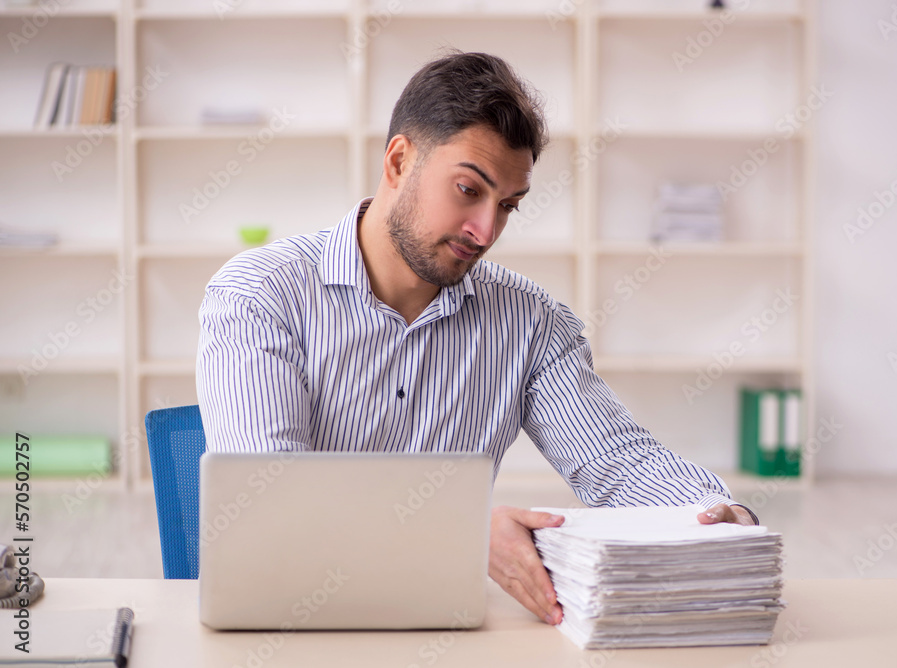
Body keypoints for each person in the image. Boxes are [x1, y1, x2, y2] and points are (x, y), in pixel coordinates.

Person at [196, 51, 758, 627]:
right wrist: (462, 532)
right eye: (468, 189)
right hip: (291, 627)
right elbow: (270, 500)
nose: (485, 231)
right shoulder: (260, 295)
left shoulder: (530, 323)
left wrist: (715, 514)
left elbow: (616, 462)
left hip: (443, 625)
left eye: (508, 205)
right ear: (398, 161)